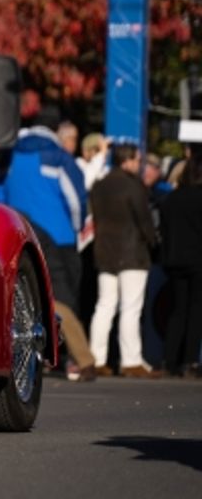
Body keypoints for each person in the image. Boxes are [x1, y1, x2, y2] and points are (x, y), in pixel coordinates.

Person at [0, 107, 95, 381]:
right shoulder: (58, 156)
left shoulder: (10, 155)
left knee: (26, 293)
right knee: (63, 299)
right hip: (59, 236)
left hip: (19, 231)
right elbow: (75, 198)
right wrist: (76, 227)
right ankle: (70, 358)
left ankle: (37, 357)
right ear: (56, 129)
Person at [88, 143, 161, 378]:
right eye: (137, 160)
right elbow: (145, 221)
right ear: (127, 160)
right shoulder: (134, 185)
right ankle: (131, 361)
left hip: (104, 251)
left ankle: (96, 358)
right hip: (132, 253)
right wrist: (153, 241)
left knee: (104, 306)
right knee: (131, 308)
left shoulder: (100, 185)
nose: (139, 165)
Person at [159, 149, 202, 378]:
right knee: (196, 311)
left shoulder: (170, 199)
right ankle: (190, 361)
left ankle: (169, 359)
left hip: (175, 260)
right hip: (197, 260)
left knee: (177, 310)